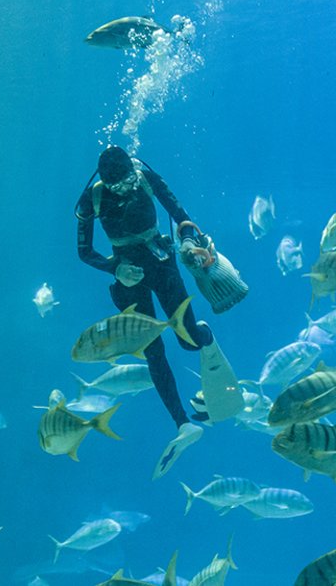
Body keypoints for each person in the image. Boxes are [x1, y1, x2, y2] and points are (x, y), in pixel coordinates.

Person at [75, 145, 229, 479]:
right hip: (127, 276)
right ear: (103, 181)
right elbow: (84, 251)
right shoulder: (91, 199)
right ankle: (182, 424)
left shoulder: (145, 177)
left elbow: (181, 215)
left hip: (162, 263)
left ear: (133, 171)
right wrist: (114, 268)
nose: (123, 190)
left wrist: (188, 241)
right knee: (153, 352)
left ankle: (206, 339)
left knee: (188, 341)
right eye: (115, 186)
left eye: (127, 182)